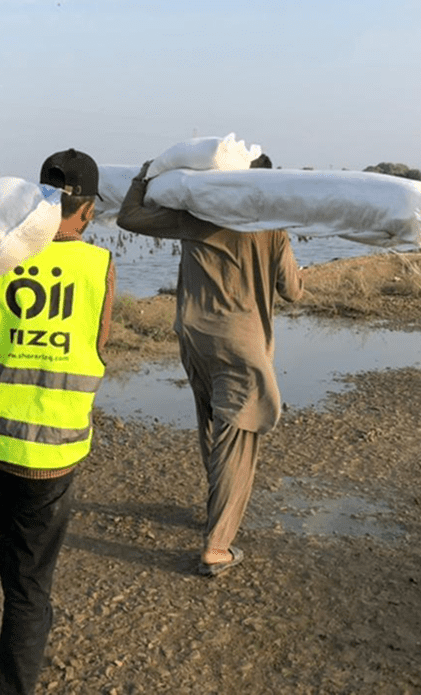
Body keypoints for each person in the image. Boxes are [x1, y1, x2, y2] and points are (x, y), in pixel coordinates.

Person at [0, 149, 115, 695]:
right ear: (88, 210)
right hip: (53, 450)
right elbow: (99, 346)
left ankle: (27, 630)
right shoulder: (99, 267)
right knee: (31, 579)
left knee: (17, 550)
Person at [117, 153, 303, 576]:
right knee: (237, 437)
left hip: (194, 338)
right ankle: (217, 547)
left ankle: (214, 509)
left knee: (213, 422)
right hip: (241, 347)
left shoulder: (196, 216)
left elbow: (129, 217)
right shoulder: (272, 228)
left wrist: (143, 176)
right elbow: (292, 291)